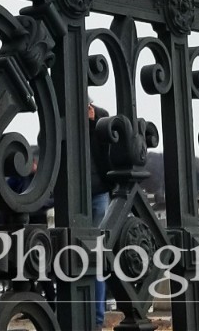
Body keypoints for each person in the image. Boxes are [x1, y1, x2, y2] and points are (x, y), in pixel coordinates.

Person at [86, 101, 113, 328]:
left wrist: (94, 121)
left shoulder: (99, 119)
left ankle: (97, 317)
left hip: (98, 192)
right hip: (78, 194)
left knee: (94, 256)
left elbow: (106, 150)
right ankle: (92, 316)